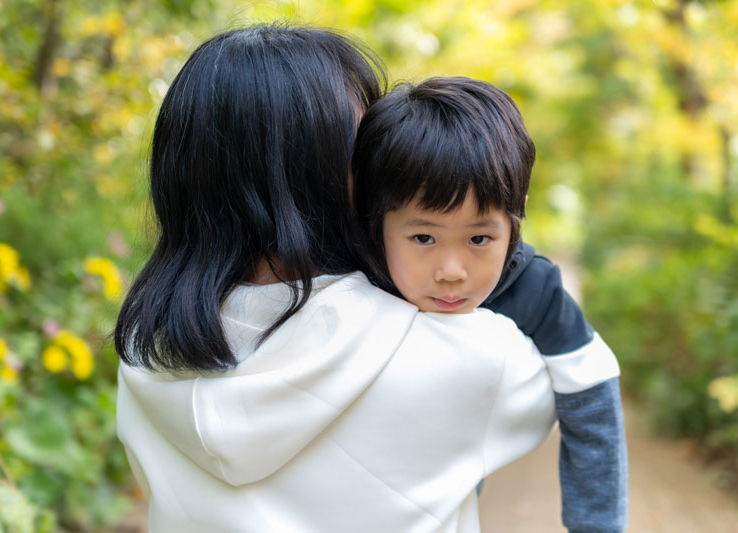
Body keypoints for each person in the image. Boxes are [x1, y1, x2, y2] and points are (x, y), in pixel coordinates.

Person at [114, 24, 562, 532]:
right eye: (368, 152)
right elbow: (567, 384)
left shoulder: (147, 357)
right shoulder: (466, 351)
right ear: (320, 180)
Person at [352, 76, 628, 532]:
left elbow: (592, 394)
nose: (452, 270)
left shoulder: (533, 288)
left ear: (513, 226)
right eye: (424, 237)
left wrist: (597, 524)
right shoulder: (353, 280)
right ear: (375, 224)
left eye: (480, 238)